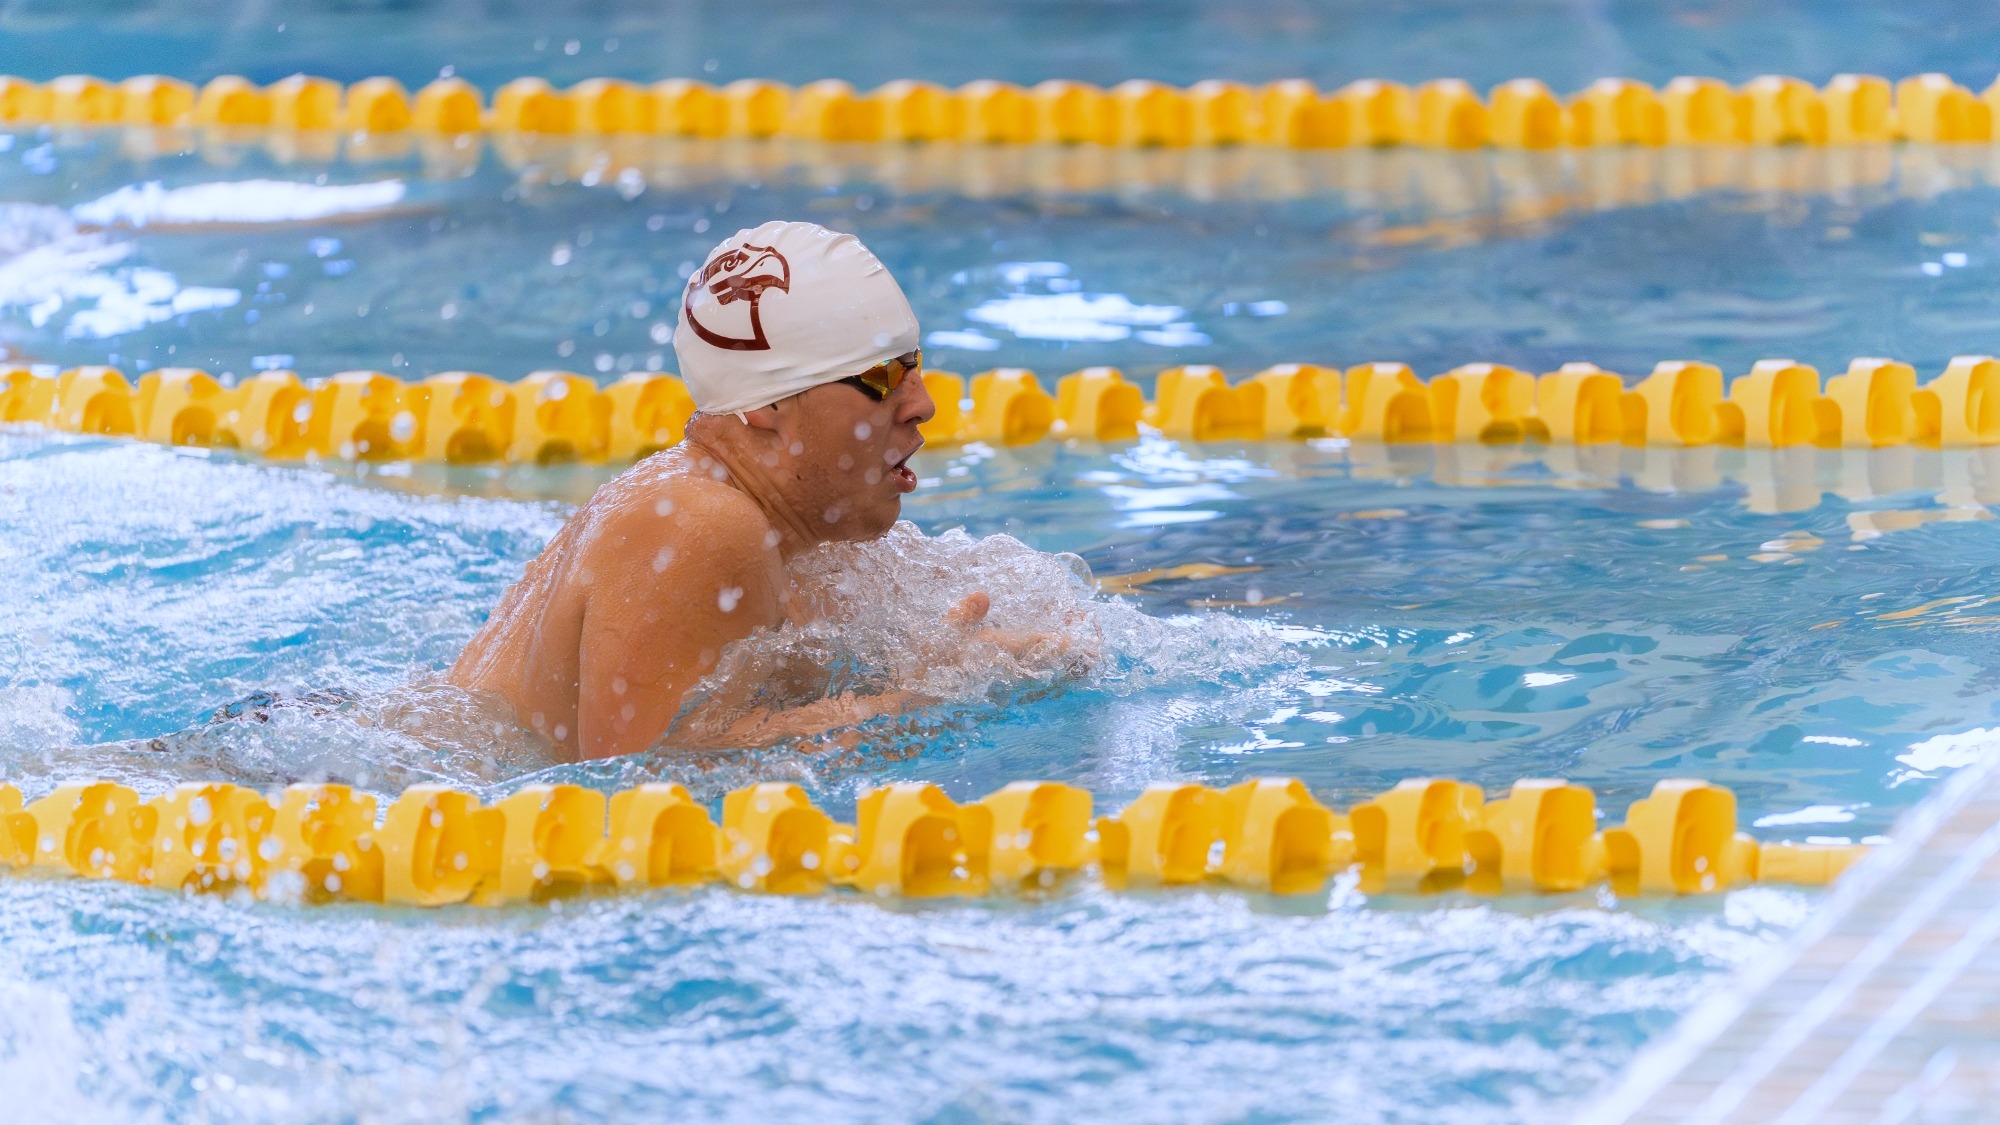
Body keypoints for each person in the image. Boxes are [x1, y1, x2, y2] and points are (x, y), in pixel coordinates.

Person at [450, 220, 1000, 762]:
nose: (922, 403)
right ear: (768, 404)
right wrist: (932, 694)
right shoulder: (699, 526)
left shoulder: (793, 536)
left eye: (914, 365)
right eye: (882, 377)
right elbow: (640, 787)